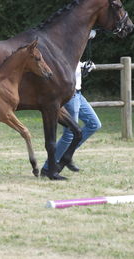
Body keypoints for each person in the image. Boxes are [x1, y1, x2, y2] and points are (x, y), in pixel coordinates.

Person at [42, 30, 101, 173]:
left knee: (94, 124)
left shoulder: (74, 51)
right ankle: (49, 166)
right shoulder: (64, 50)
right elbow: (66, 69)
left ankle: (66, 156)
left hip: (79, 95)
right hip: (70, 96)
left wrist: (84, 67)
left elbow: (75, 66)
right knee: (70, 132)